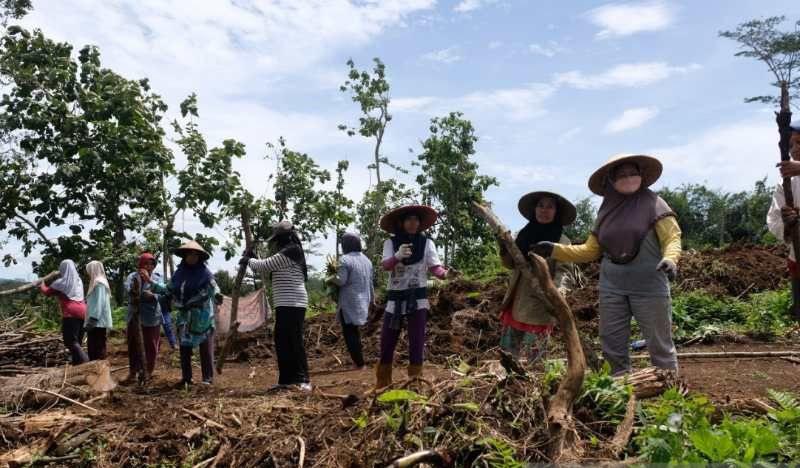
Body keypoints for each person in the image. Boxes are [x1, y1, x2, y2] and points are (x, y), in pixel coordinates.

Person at [534, 154, 682, 376]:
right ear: (612, 180)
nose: (628, 178)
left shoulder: (655, 204)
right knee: (612, 343)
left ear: (641, 176)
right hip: (612, 285)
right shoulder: (606, 211)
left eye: (633, 173)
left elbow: (672, 237)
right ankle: (620, 390)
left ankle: (670, 392)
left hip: (649, 284)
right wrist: (555, 249)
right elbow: (590, 250)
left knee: (659, 342)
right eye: (621, 175)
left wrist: (671, 258)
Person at [376, 205, 454, 389]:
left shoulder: (427, 244)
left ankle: (415, 382)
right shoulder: (390, 243)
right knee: (387, 340)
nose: (413, 223)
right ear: (401, 223)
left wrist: (445, 274)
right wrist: (397, 256)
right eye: (409, 219)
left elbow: (435, 267)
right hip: (395, 299)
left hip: (417, 298)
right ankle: (382, 382)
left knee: (417, 341)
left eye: (416, 220)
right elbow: (385, 266)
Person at [498, 191, 575, 363]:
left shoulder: (562, 241)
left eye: (550, 207)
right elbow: (510, 264)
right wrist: (504, 248)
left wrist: (556, 293)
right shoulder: (521, 235)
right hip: (517, 299)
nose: (544, 210)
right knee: (508, 356)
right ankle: (508, 384)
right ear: (534, 209)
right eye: (541, 205)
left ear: (557, 212)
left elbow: (565, 272)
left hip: (541, 303)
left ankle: (533, 387)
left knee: (535, 360)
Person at [242, 221, 311, 392]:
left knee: (294, 340)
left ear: (284, 237)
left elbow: (264, 266)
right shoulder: (286, 252)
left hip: (293, 302)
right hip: (284, 303)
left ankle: (303, 379)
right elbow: (267, 264)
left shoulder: (292, 250)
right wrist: (252, 258)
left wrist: (248, 259)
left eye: (278, 239)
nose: (276, 242)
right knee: (281, 341)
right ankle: (286, 380)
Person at [146, 241, 221, 387]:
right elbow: (168, 289)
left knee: (205, 348)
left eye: (195, 254)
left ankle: (207, 379)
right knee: (185, 348)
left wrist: (218, 295)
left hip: (203, 316)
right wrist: (151, 283)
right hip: (185, 316)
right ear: (185, 256)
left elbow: (214, 288)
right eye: (189, 254)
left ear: (199, 257)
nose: (192, 257)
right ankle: (186, 378)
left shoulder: (205, 274)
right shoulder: (179, 274)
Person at [768, 122, 800, 320]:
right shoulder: (785, 184)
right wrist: (788, 226)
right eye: (791, 145)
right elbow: (774, 220)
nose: (795, 149)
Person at [328, 232, 374, 369]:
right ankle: (360, 361)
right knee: (355, 331)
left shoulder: (345, 260)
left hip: (349, 302)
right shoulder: (367, 260)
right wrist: (373, 300)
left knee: (350, 332)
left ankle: (359, 363)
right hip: (363, 301)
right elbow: (371, 283)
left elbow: (341, 281)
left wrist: (330, 278)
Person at [122, 253, 163, 383]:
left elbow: (162, 293)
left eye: (151, 264)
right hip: (134, 316)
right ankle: (133, 372)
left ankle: (147, 372)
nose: (149, 267)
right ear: (140, 264)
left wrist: (152, 295)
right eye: (146, 263)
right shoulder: (132, 277)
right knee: (133, 345)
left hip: (151, 317)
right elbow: (129, 290)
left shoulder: (157, 278)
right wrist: (138, 286)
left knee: (150, 346)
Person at [40, 259, 89, 365]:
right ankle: (77, 365)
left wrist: (41, 283)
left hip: (71, 313)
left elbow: (47, 292)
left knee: (70, 341)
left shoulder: (61, 283)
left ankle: (86, 362)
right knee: (78, 341)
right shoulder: (78, 281)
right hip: (84, 312)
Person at [84, 260, 113, 360]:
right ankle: (97, 369)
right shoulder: (97, 282)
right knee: (95, 346)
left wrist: (93, 319)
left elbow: (99, 303)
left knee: (97, 347)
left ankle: (100, 370)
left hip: (97, 321)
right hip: (96, 321)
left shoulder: (99, 283)